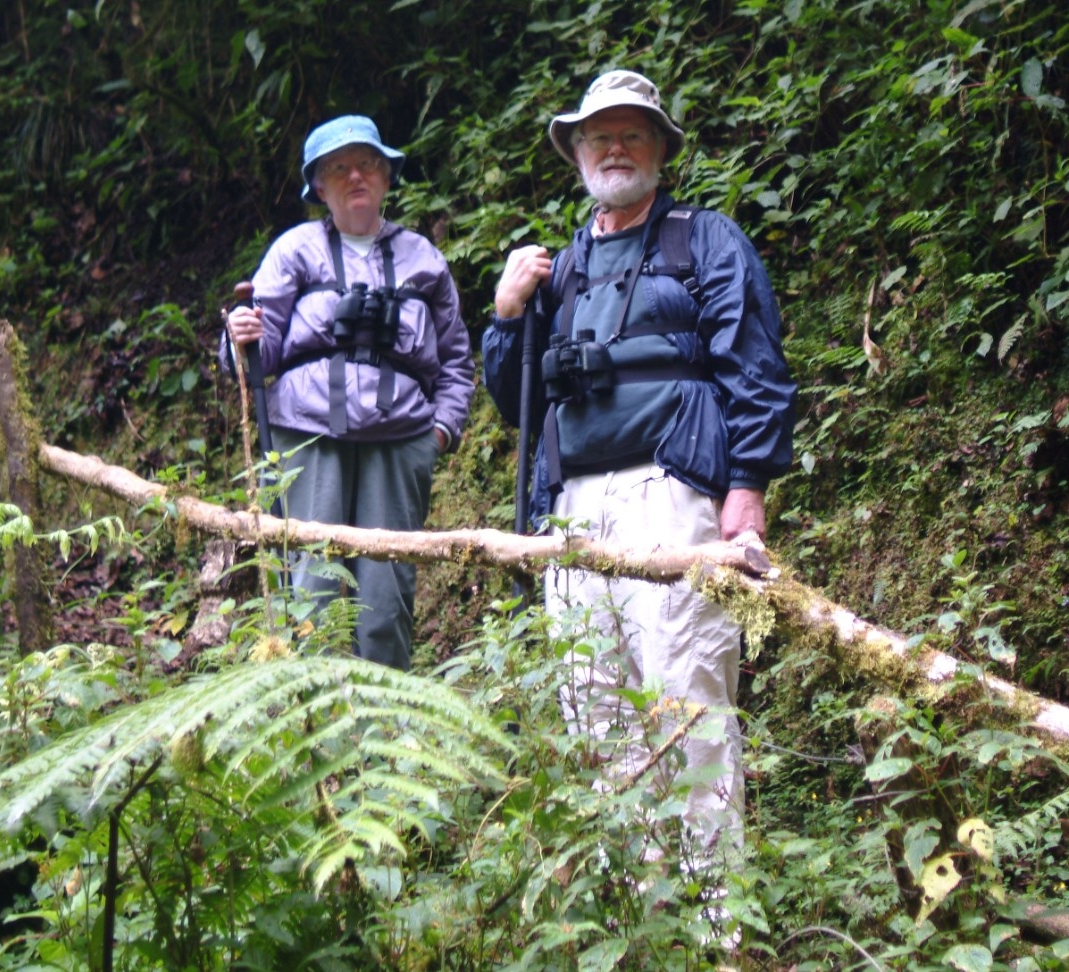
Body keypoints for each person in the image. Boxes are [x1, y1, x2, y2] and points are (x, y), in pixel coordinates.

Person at [482, 71, 796, 853]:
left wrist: (747, 491)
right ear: (577, 154)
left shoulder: (705, 239)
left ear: (659, 148)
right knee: (597, 712)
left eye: (631, 133)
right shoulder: (561, 268)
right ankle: (643, 929)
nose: (614, 148)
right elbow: (515, 402)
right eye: (598, 136)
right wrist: (506, 310)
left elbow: (753, 364)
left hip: (674, 492)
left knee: (688, 701)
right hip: (573, 511)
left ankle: (718, 927)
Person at [224, 115, 475, 672]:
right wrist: (237, 336)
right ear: (318, 187)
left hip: (401, 440)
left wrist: (438, 433)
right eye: (339, 168)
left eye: (368, 164)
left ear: (387, 178)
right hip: (307, 440)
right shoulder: (294, 251)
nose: (356, 176)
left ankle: (384, 735)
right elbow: (251, 359)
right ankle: (312, 728)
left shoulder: (422, 258)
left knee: (385, 600)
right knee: (310, 588)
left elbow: (457, 361)